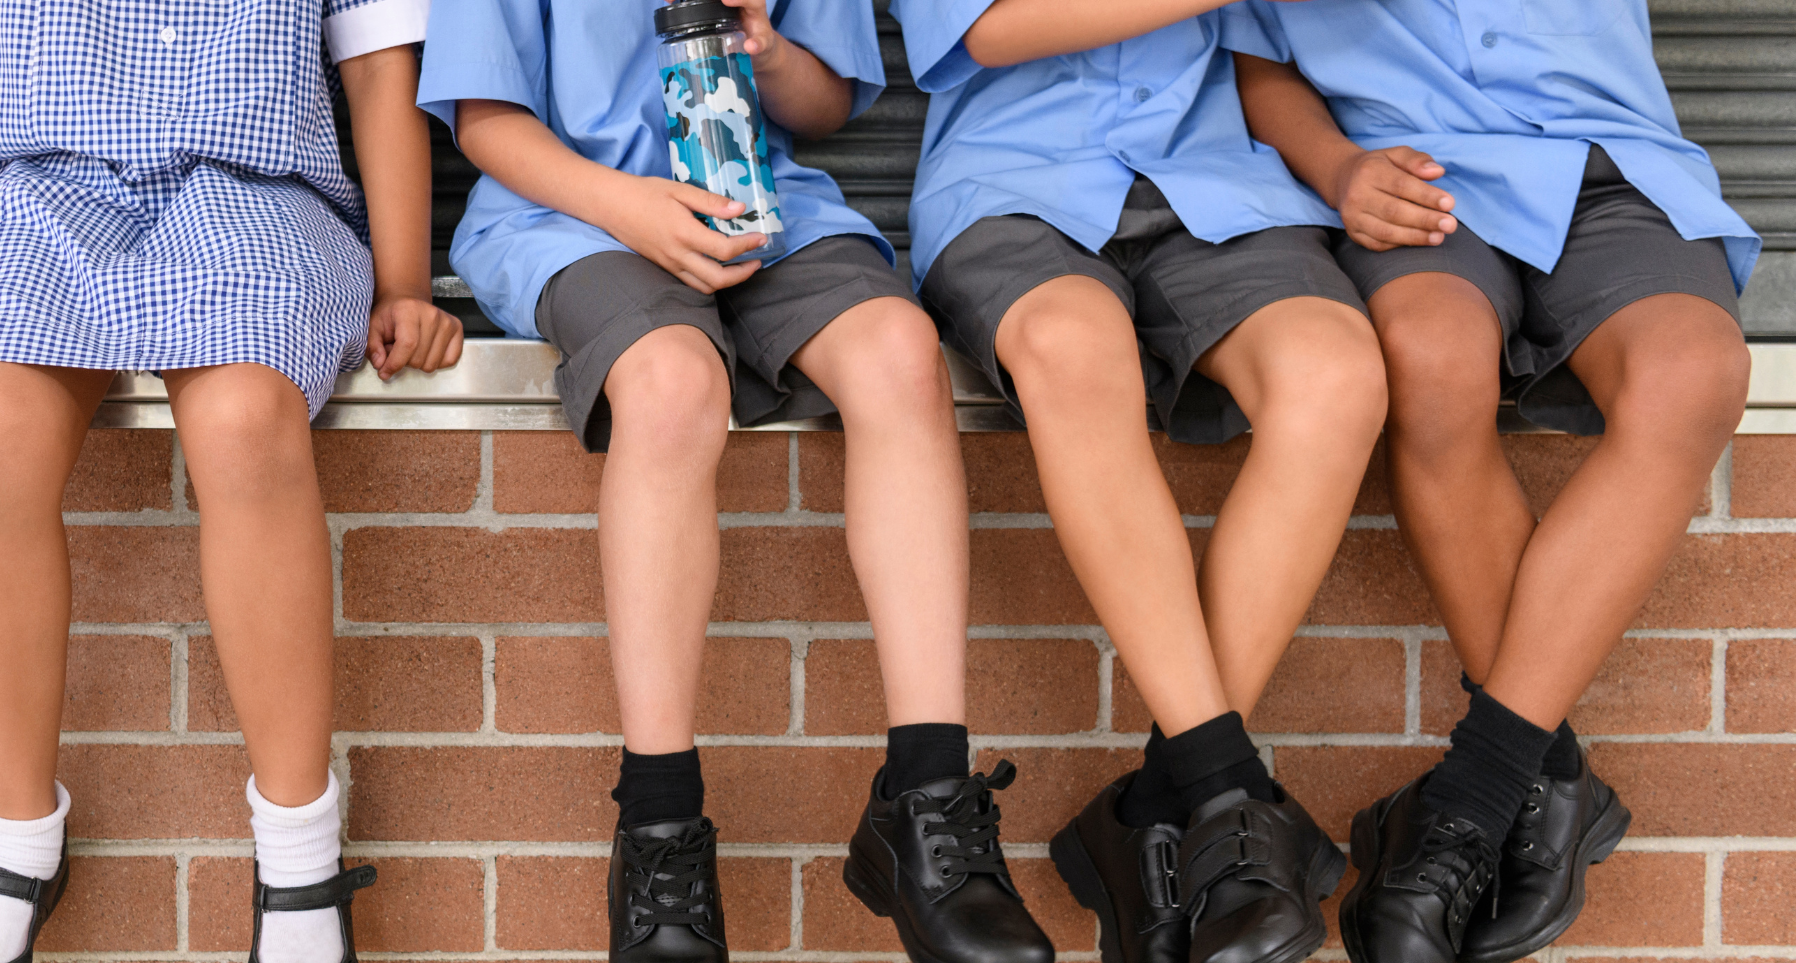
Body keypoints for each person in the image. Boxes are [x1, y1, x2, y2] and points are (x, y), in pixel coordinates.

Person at [0, 1, 460, 961]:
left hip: (255, 198)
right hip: (31, 195)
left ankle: (299, 858)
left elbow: (376, 69)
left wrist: (406, 275)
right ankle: (17, 836)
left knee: (248, 424)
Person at [421, 2, 1050, 960]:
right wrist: (628, 205)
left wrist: (766, 47)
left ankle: (927, 802)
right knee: (673, 384)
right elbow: (485, 122)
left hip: (761, 203)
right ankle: (659, 829)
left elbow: (827, 102)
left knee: (898, 349)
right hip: (574, 213)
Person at [1230, 1, 1753, 958]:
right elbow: (1255, 58)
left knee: (1694, 371)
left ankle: (1473, 797)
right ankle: (1535, 776)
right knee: (1429, 361)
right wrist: (1339, 168)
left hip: (1616, 168)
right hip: (1413, 172)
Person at [889, 0, 1394, 961]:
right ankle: (1222, 794)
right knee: (1075, 353)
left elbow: (1284, 42)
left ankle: (1174, 799)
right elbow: (983, 28)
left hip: (1218, 183)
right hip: (1013, 188)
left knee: (1336, 374)